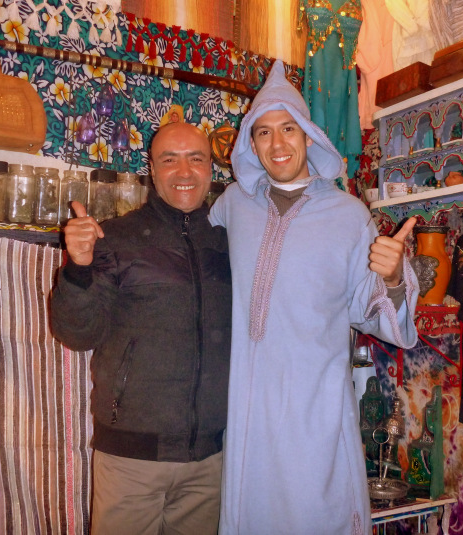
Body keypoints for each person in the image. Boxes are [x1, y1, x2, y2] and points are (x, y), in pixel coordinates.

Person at [209, 60, 419, 534]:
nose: (277, 144)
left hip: (316, 411)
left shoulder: (349, 216)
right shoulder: (233, 205)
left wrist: (391, 277)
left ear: (307, 136)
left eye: (288, 129)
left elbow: (378, 317)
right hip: (250, 411)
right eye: (263, 133)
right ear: (250, 143)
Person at [49, 121, 232, 535]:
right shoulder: (116, 238)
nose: (184, 172)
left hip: (209, 462)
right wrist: (77, 269)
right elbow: (78, 333)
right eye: (170, 160)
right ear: (151, 168)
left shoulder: (230, 243)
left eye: (196, 159)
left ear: (210, 169)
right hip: (130, 461)